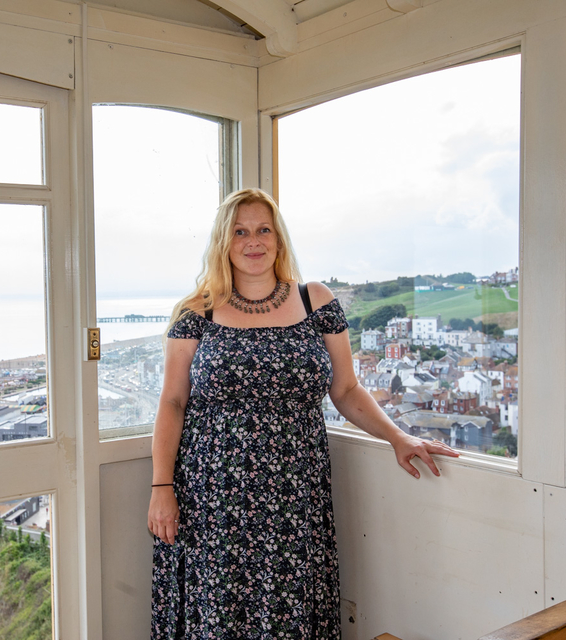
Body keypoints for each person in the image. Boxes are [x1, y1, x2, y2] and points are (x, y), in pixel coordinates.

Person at [148, 188, 459, 639]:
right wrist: (161, 487)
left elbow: (346, 389)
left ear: (278, 238)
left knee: (288, 609)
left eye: (263, 230)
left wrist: (399, 437)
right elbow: (172, 402)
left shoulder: (317, 301)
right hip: (212, 494)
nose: (253, 241)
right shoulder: (196, 312)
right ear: (223, 242)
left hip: (295, 492)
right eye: (240, 232)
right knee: (215, 610)